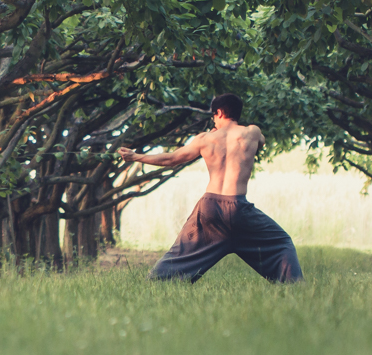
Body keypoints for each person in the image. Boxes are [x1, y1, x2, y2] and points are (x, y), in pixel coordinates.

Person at [118, 93, 303, 284]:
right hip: (239, 208)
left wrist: (135, 156)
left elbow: (172, 159)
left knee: (180, 254)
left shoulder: (204, 139)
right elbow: (261, 142)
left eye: (214, 115)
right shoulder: (252, 132)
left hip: (210, 208)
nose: (213, 119)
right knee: (281, 243)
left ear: (220, 113)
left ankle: (155, 282)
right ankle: (294, 285)